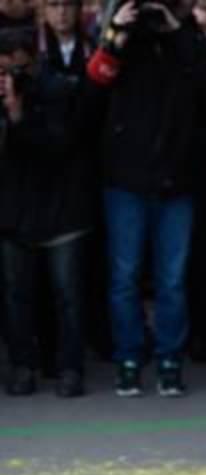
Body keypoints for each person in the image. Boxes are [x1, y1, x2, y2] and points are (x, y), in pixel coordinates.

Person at [86, 0, 206, 397]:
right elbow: (95, 87)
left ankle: (169, 359)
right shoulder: (122, 36)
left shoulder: (189, 39)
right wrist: (116, 30)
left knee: (171, 280)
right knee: (124, 278)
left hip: (176, 180)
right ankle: (129, 358)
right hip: (125, 178)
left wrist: (175, 31)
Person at [1, 23, 98, 398]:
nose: (10, 79)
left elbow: (57, 146)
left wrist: (20, 115)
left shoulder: (58, 90)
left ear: (33, 61)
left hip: (62, 210)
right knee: (15, 295)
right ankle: (23, 366)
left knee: (68, 294)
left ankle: (70, 367)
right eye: (2, 71)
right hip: (13, 212)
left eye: (16, 70)